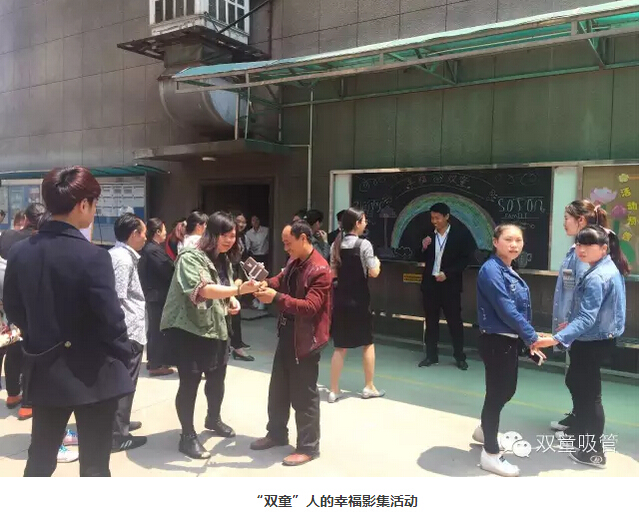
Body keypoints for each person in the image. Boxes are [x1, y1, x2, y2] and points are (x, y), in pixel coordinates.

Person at [2, 166, 134, 477]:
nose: (94, 210)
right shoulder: (94, 257)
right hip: (94, 373)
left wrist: (39, 335)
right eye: (94, 202)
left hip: (44, 368)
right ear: (82, 204)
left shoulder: (20, 252)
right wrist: (124, 352)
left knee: (40, 460)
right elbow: (111, 320)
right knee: (94, 466)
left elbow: (14, 308)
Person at [160, 212, 261, 459]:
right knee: (190, 383)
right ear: (211, 234)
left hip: (217, 327)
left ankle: (213, 419)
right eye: (224, 235)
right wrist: (238, 290)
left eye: (232, 236)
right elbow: (203, 291)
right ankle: (187, 436)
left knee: (217, 379)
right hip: (190, 329)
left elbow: (224, 286)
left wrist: (232, 299)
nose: (229, 240)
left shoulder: (223, 259)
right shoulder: (190, 257)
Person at [532, 225, 628, 469]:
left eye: (588, 245)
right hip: (599, 337)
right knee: (581, 387)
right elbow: (598, 312)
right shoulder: (608, 268)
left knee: (589, 396)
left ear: (604, 248)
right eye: (579, 244)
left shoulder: (597, 276)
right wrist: (571, 324)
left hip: (591, 341)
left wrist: (556, 338)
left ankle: (593, 452)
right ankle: (583, 439)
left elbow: (587, 318)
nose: (581, 249)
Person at [250, 220, 333, 466]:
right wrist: (267, 284)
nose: (286, 248)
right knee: (278, 389)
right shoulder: (295, 261)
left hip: (306, 339)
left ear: (303, 238)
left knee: (304, 395)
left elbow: (310, 307)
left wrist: (276, 297)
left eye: (288, 243)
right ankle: (276, 434)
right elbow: (281, 279)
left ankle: (308, 447)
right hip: (288, 333)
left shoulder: (320, 269)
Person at [474, 224, 545, 477]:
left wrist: (527, 341)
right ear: (495, 242)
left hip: (507, 340)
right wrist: (532, 338)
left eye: (518, 240)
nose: (514, 245)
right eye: (508, 240)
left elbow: (516, 312)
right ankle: (490, 454)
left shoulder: (507, 268)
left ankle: (485, 430)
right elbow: (506, 309)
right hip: (496, 341)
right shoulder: (491, 270)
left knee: (504, 391)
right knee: (497, 394)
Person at [550, 200, 608, 433]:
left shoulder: (584, 254)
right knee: (578, 379)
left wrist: (569, 328)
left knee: (583, 383)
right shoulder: (579, 249)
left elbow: (583, 296)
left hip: (582, 328)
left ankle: (585, 433)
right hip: (576, 325)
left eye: (567, 218)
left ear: (581, 220)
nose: (564, 223)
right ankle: (578, 421)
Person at [328, 208, 384, 403]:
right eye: (364, 220)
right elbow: (374, 272)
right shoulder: (364, 244)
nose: (366, 223)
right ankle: (369, 386)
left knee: (340, 347)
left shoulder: (335, 244)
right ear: (357, 223)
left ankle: (333, 390)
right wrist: (377, 262)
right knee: (367, 343)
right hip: (360, 300)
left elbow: (332, 273)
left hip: (340, 300)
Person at [0, 202, 48, 422]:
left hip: (11, 302)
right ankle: (28, 405)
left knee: (13, 347)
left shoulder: (8, 236)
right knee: (32, 353)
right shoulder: (43, 242)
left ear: (26, 219)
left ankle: (12, 395)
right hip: (36, 304)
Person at [108, 213, 149, 453]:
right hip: (128, 332)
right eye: (143, 233)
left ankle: (121, 421)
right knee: (125, 383)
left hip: (129, 330)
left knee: (124, 382)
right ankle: (118, 435)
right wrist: (122, 334)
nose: (145, 238)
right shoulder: (123, 260)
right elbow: (117, 299)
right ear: (134, 234)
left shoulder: (118, 255)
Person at [418, 202, 473, 370]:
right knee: (431, 321)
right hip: (430, 285)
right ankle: (431, 355)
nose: (434, 221)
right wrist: (423, 247)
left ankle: (459, 356)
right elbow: (416, 255)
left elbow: (465, 259)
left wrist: (448, 273)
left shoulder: (459, 234)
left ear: (447, 217)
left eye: (438, 218)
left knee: (454, 322)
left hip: (450, 285)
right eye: (432, 218)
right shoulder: (428, 233)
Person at [138, 218, 175, 376]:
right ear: (158, 232)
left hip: (156, 294)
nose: (166, 233)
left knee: (155, 329)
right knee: (158, 330)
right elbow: (167, 270)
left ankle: (154, 360)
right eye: (164, 230)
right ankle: (156, 364)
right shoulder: (153, 250)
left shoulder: (152, 248)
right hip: (157, 295)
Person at [230, 212, 253, 361]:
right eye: (239, 221)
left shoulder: (243, 237)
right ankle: (235, 345)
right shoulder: (229, 239)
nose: (241, 224)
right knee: (232, 313)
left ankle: (237, 343)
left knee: (236, 312)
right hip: (230, 277)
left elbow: (243, 258)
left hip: (239, 274)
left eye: (244, 222)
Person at [245, 215, 270, 310]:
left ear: (259, 221)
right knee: (254, 279)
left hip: (265, 256)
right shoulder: (248, 233)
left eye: (256, 220)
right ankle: (256, 299)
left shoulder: (266, 230)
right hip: (255, 257)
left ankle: (263, 301)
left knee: (264, 278)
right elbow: (247, 247)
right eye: (253, 220)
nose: (255, 222)